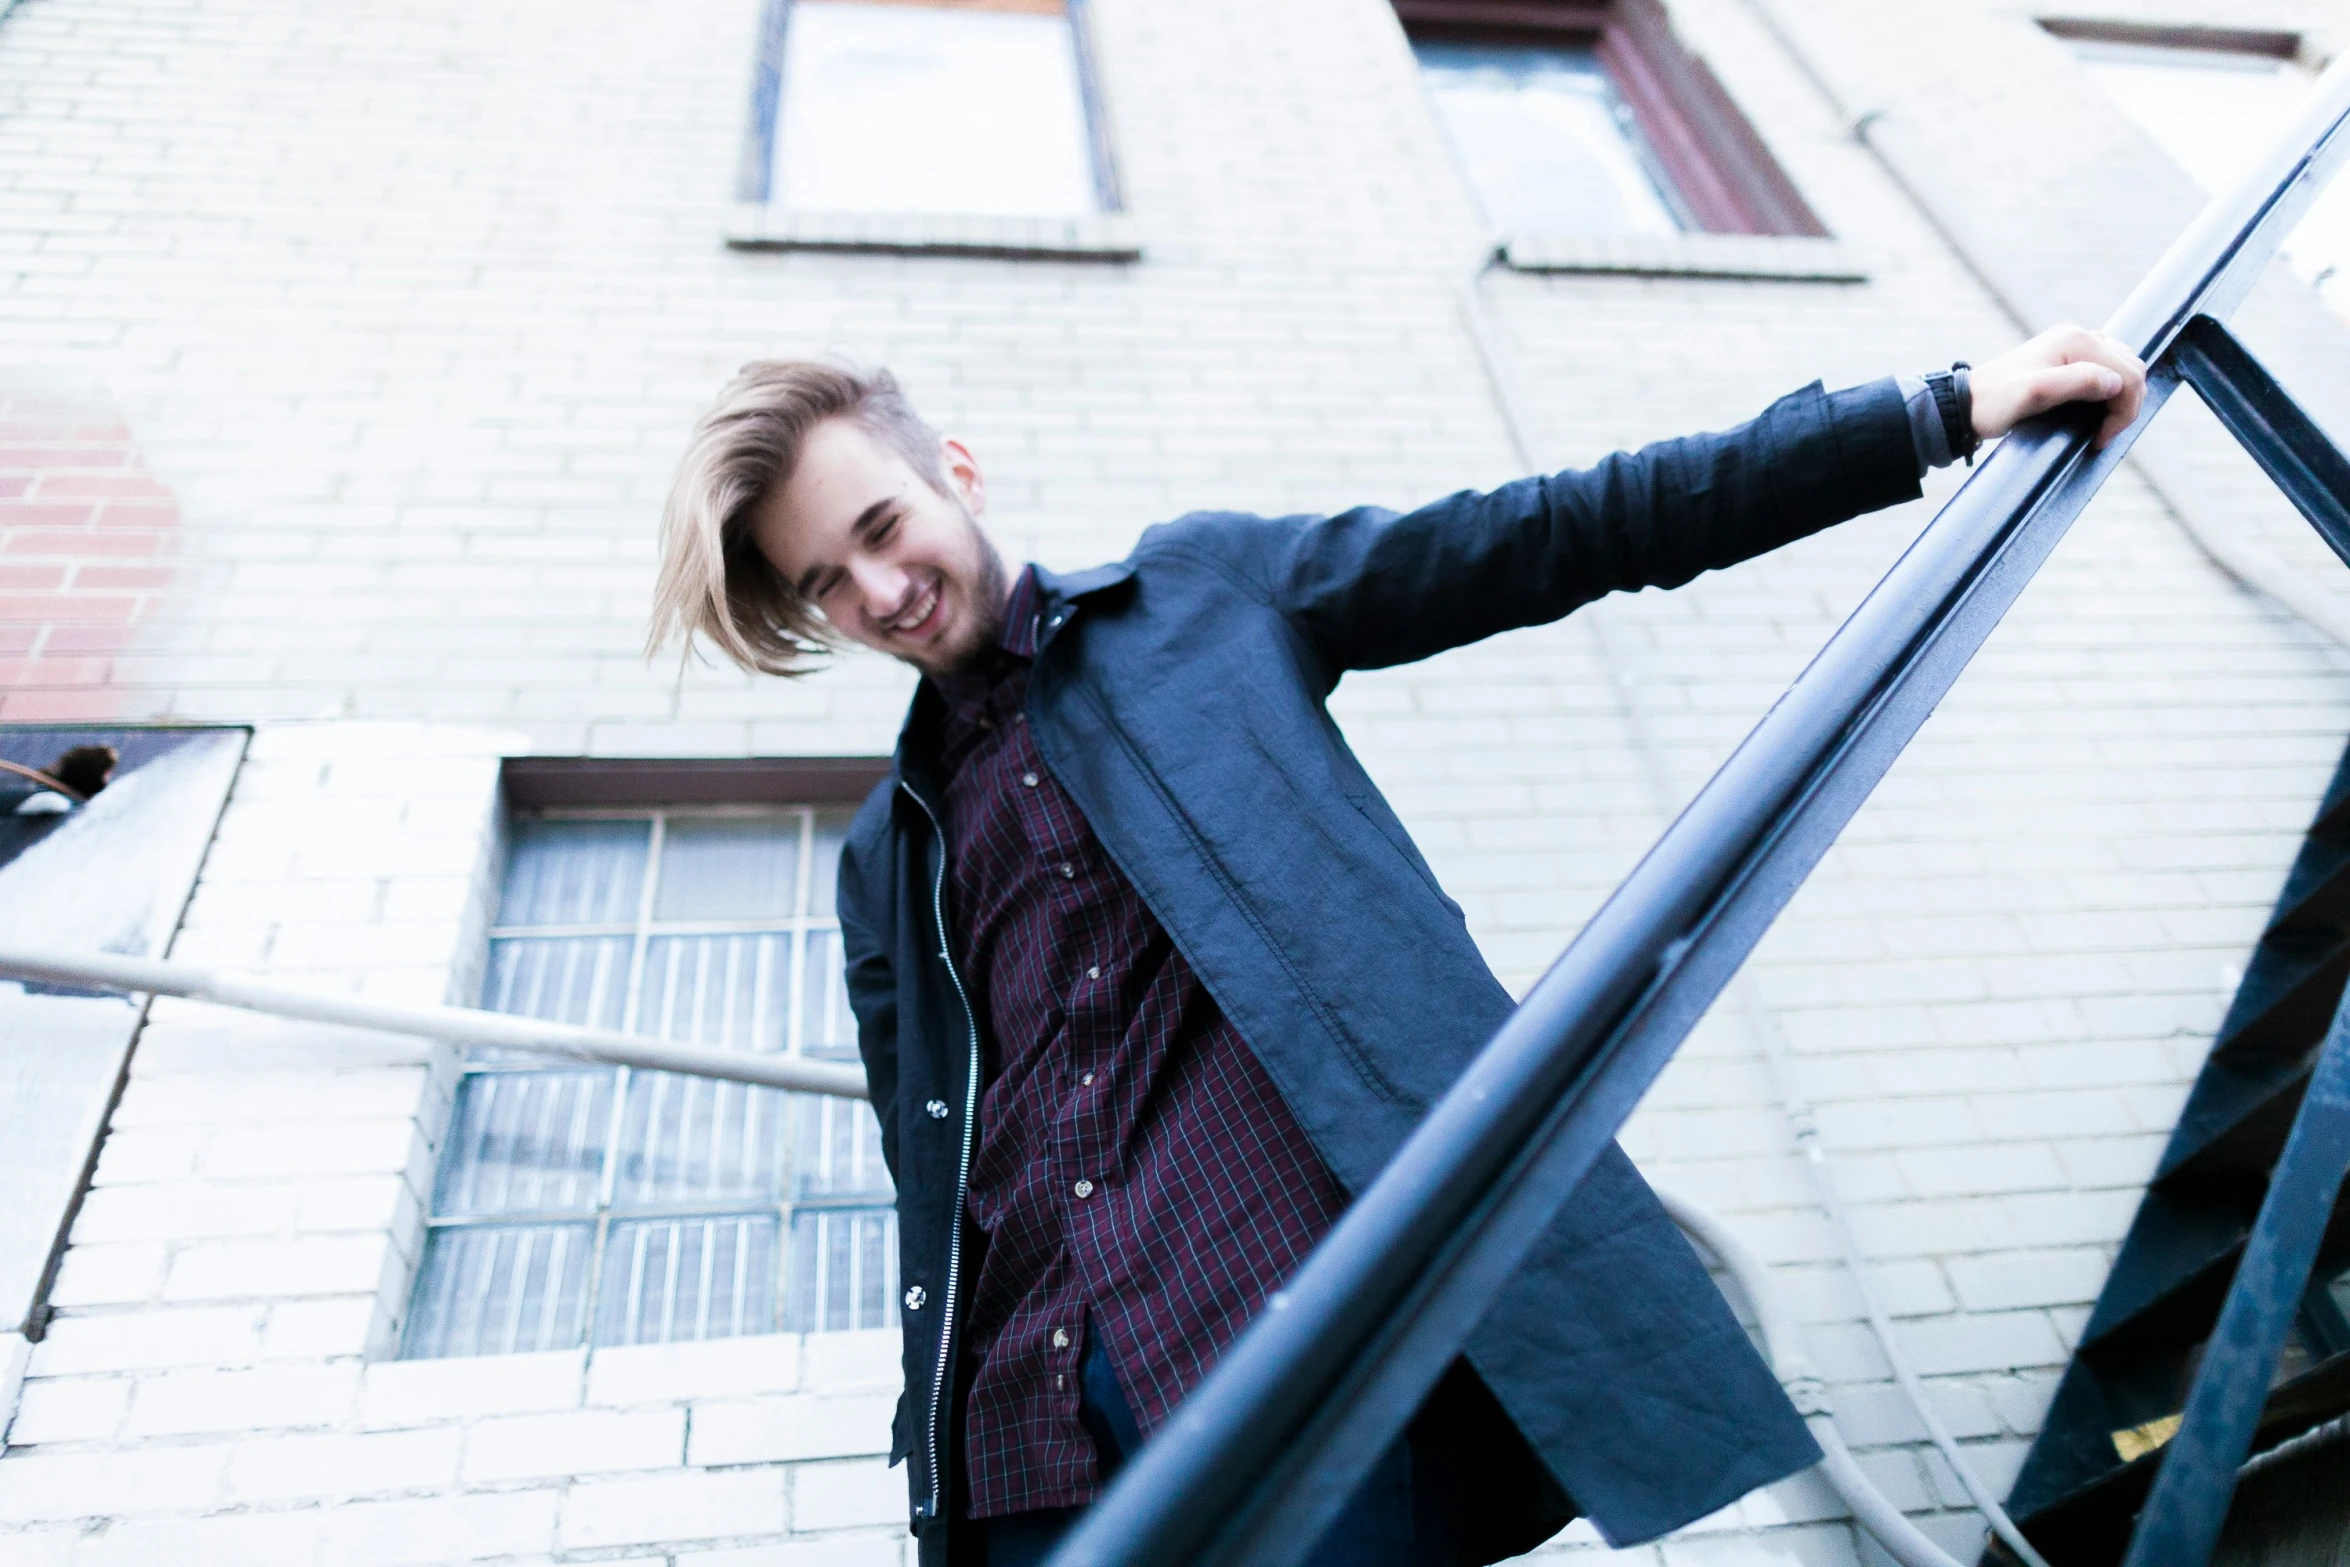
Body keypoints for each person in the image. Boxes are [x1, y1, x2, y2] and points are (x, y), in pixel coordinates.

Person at [647, 327, 2146, 1567]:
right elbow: (939, 1172)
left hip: (1290, 1343)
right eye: (827, 588)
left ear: (951, 471)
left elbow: (1569, 528)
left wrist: (1931, 412)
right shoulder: (883, 856)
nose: (880, 593)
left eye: (882, 530)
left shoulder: (1207, 599)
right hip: (1029, 1439)